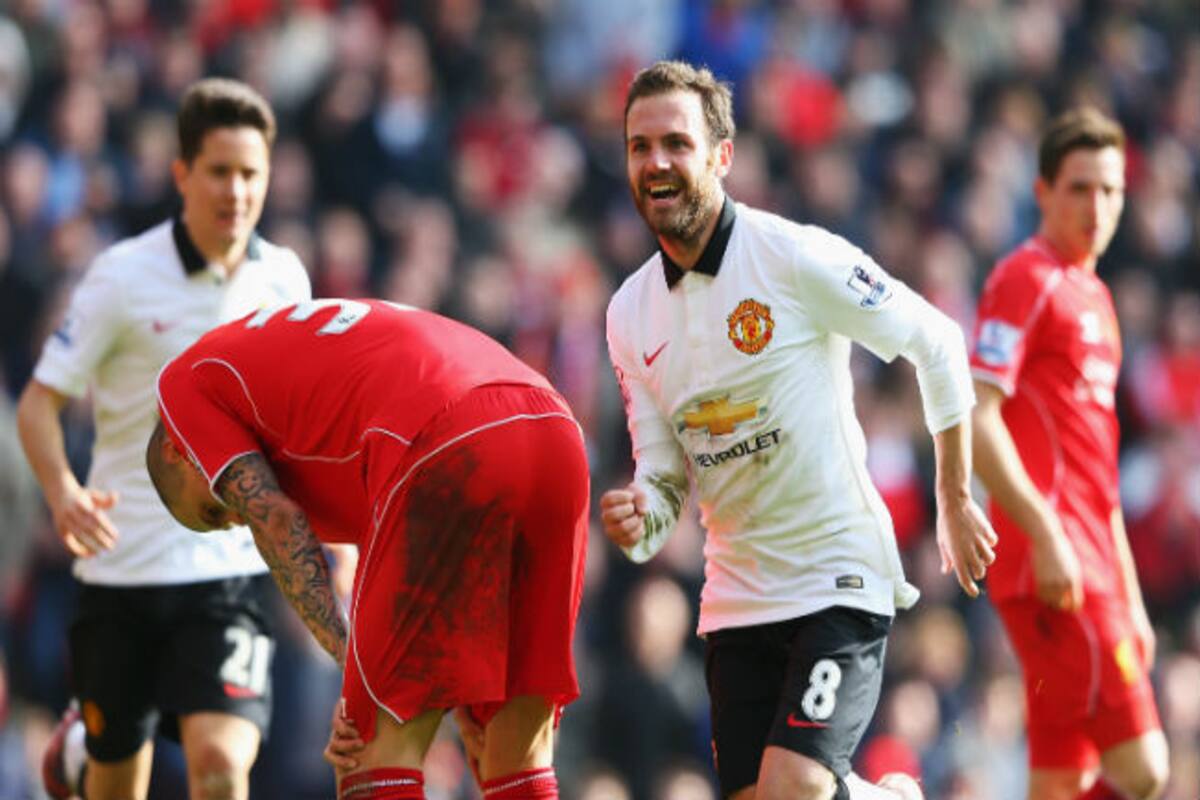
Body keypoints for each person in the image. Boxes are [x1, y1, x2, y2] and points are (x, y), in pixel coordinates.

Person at [599, 60, 997, 800]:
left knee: (797, 785)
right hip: (736, 596)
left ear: (722, 155)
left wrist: (952, 495)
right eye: (639, 146)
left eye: (677, 143)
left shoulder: (791, 256)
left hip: (836, 571)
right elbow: (663, 478)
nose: (656, 162)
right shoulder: (628, 314)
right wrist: (640, 517)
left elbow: (938, 340)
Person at [145, 298, 589, 800]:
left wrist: (350, 663)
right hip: (554, 429)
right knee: (516, 757)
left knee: (368, 755)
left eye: (214, 510)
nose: (235, 517)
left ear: (175, 451)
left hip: (443, 435)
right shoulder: (295, 399)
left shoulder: (182, 386)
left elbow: (276, 519)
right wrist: (466, 691)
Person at [15, 78, 312, 800]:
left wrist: (333, 536)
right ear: (182, 174)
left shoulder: (285, 281)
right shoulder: (122, 277)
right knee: (119, 784)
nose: (237, 191)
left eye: (251, 174)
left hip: (228, 572)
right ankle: (86, 754)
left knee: (221, 766)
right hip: (123, 571)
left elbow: (301, 431)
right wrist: (62, 491)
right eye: (219, 171)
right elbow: (39, 404)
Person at [970, 108, 1169, 800]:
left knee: (1061, 782)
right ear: (1043, 192)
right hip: (1055, 564)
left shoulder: (1098, 299)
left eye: (1110, 190)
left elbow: (1100, 475)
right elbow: (978, 418)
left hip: (1094, 561)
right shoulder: (1026, 279)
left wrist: (1132, 599)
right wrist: (1047, 533)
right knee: (1145, 770)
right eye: (1080, 188)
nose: (1097, 206)